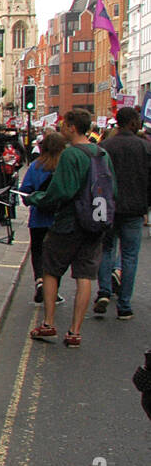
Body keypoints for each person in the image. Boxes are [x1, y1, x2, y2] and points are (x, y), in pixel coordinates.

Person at [25, 109, 114, 347]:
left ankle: (49, 324)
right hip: (95, 222)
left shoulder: (71, 155)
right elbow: (111, 188)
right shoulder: (102, 153)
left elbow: (61, 192)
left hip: (69, 222)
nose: (61, 128)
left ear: (72, 127)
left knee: (51, 270)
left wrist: (36, 198)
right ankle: (74, 332)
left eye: (64, 125)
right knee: (85, 276)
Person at [94, 106, 151, 320]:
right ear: (134, 123)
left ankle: (104, 292)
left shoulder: (104, 146)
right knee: (129, 256)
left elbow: (97, 179)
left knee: (106, 250)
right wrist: (146, 205)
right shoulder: (145, 148)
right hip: (135, 209)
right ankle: (124, 305)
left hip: (108, 208)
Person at [19, 132, 67, 304]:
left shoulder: (35, 166)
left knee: (38, 251)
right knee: (57, 256)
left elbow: (24, 192)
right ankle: (53, 290)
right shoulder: (65, 166)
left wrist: (33, 198)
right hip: (60, 219)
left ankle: (40, 281)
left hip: (38, 218)